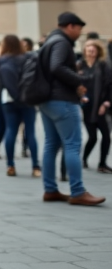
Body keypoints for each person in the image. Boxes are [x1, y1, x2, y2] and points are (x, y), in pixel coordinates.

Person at [39, 12, 105, 205]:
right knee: (73, 144)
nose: (80, 33)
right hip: (62, 101)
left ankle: (50, 189)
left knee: (51, 144)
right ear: (70, 26)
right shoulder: (61, 43)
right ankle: (77, 191)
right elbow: (57, 66)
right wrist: (79, 80)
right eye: (79, 29)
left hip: (47, 100)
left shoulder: (49, 41)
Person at [0, 34, 40, 178]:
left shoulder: (1, 61)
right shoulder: (26, 58)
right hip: (28, 100)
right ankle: (35, 167)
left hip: (9, 100)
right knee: (31, 133)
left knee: (11, 131)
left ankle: (10, 165)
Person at [80, 39, 112, 173]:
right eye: (88, 47)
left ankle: (102, 163)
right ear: (85, 50)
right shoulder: (79, 65)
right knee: (92, 137)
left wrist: (107, 102)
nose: (91, 50)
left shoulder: (103, 65)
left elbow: (110, 85)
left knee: (106, 136)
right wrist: (80, 97)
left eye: (93, 48)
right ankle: (84, 159)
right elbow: (75, 84)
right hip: (86, 107)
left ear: (98, 51)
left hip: (101, 106)